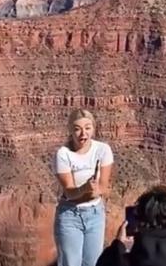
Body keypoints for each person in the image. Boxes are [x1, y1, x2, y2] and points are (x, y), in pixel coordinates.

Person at [54, 109, 114, 266]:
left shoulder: (103, 150)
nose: (83, 134)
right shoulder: (63, 154)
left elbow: (103, 187)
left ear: (93, 128)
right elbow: (69, 192)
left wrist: (96, 190)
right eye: (77, 129)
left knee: (93, 262)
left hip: (95, 214)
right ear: (70, 131)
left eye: (87, 128)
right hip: (70, 214)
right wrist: (85, 189)